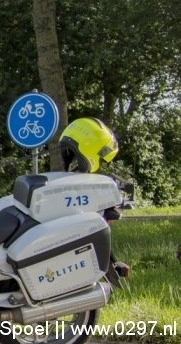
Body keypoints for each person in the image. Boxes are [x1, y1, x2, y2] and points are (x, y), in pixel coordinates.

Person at [59, 117, 130, 277]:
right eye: (102, 153)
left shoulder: (60, 182)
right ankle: (107, 265)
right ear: (89, 148)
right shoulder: (80, 185)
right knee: (98, 223)